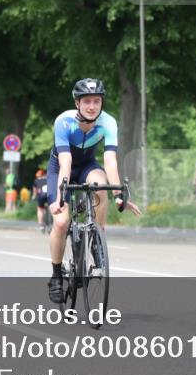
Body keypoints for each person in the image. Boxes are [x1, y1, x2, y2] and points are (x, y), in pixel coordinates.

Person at [46, 78, 142, 303]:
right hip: (60, 167)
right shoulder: (63, 121)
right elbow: (66, 162)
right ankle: (56, 275)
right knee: (61, 222)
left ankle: (96, 240)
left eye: (96, 101)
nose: (92, 106)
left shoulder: (108, 122)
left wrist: (118, 196)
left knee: (100, 186)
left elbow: (110, 161)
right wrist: (60, 196)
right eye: (87, 101)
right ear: (77, 103)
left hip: (88, 166)